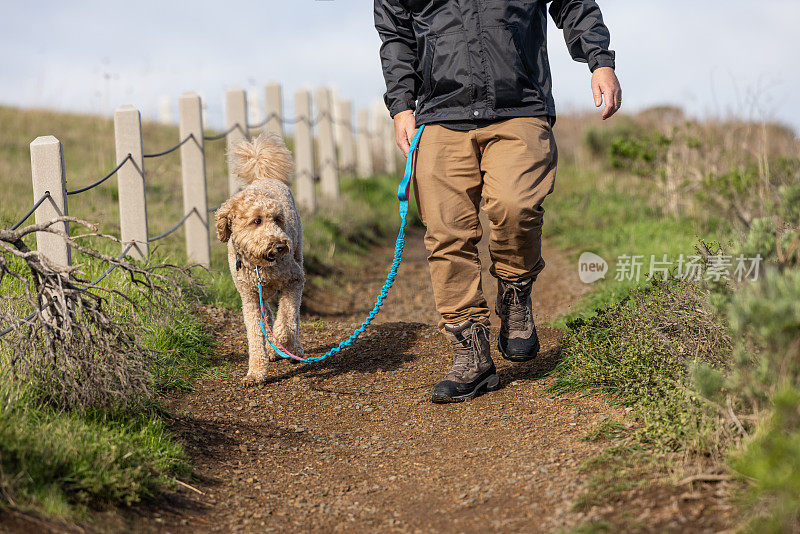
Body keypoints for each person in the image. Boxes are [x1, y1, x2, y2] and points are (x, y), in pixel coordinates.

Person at [374, 0, 621, 403]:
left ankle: (514, 289)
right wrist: (401, 104)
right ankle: (470, 354)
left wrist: (599, 60)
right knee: (446, 233)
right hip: (439, 113)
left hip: (519, 105)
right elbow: (396, 34)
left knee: (516, 206)